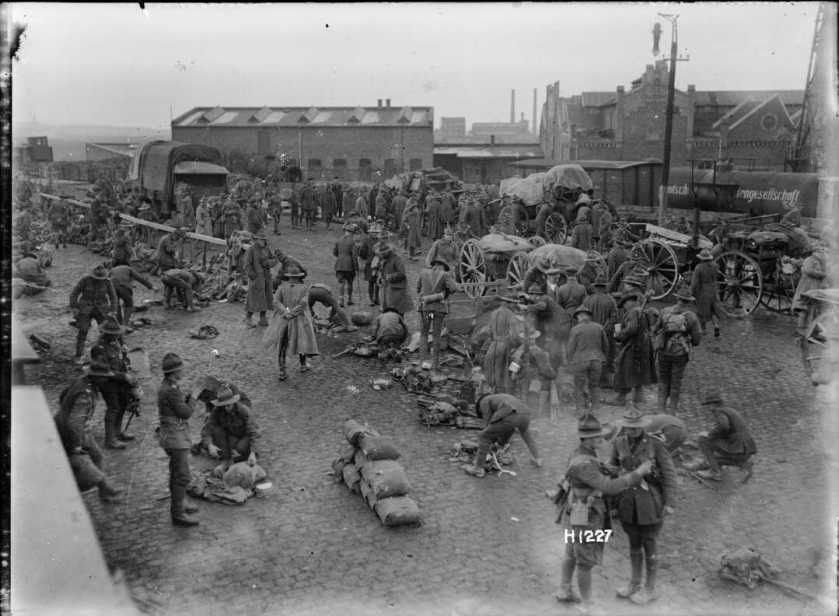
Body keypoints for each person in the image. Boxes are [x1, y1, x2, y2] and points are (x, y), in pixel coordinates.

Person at [554, 414, 653, 605]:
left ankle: (564, 590)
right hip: (586, 517)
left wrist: (609, 468)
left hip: (574, 512)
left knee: (571, 552)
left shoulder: (580, 453)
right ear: (589, 438)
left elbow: (596, 471)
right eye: (598, 436)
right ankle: (587, 605)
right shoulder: (584, 463)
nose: (601, 439)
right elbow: (609, 487)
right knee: (585, 561)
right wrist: (638, 473)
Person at [609, 409, 678, 604]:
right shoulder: (619, 442)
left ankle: (650, 588)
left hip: (650, 501)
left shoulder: (655, 444)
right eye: (629, 427)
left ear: (642, 427)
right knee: (633, 543)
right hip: (627, 501)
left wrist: (670, 503)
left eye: (635, 428)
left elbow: (669, 474)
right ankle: (634, 582)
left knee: (649, 543)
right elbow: (612, 467)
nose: (632, 431)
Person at [54, 361, 123, 502]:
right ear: (95, 377)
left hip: (79, 427)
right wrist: (77, 444)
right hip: (69, 432)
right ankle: (105, 486)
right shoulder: (84, 394)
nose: (106, 380)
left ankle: (104, 491)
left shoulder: (84, 383)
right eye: (103, 377)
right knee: (84, 462)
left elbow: (65, 397)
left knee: (97, 456)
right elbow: (75, 421)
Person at [156, 352, 199, 526]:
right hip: (175, 437)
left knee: (176, 471)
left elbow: (177, 406)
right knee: (181, 475)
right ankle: (177, 514)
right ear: (175, 372)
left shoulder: (169, 385)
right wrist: (194, 397)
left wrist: (185, 399)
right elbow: (185, 413)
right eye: (181, 369)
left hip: (172, 434)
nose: (183, 371)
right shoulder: (171, 390)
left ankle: (180, 503)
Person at [464, 393, 542, 477]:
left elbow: (488, 423)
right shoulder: (499, 397)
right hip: (525, 414)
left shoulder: (483, 401)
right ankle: (537, 458)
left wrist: (486, 441)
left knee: (484, 436)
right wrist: (499, 443)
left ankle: (478, 469)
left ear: (478, 407)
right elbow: (506, 429)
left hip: (511, 413)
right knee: (526, 434)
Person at [90, 317, 139, 448]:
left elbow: (121, 360)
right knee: (113, 407)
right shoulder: (99, 348)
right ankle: (110, 439)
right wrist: (124, 376)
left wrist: (128, 370)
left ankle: (118, 432)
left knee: (122, 405)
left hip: (120, 381)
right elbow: (104, 370)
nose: (118, 335)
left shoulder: (116, 343)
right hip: (107, 383)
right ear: (107, 334)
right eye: (115, 333)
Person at [265, 264, 319, 380]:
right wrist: (293, 313)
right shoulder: (304, 288)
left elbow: (275, 302)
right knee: (301, 341)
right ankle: (303, 365)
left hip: (283, 320)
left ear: (289, 277)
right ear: (299, 277)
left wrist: (285, 312)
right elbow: (303, 304)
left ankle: (282, 371)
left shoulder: (281, 287)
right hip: (299, 319)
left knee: (282, 344)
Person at [654, 284, 702, 413]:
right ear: (689, 301)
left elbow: (655, 329)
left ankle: (660, 409)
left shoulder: (664, 311)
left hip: (664, 351)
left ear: (677, 299)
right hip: (680, 354)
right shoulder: (691, 316)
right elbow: (697, 339)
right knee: (676, 382)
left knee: (663, 380)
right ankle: (672, 411)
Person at [693, 392, 757, 481]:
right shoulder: (730, 410)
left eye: (708, 405)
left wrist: (710, 435)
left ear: (713, 404)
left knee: (702, 440)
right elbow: (728, 430)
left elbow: (723, 426)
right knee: (713, 446)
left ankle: (715, 472)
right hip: (746, 450)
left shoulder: (719, 411)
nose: (708, 408)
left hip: (738, 449)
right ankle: (740, 463)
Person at [611, 290, 657, 406]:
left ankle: (621, 398)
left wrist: (620, 334)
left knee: (624, 368)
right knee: (639, 369)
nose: (624, 308)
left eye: (625, 305)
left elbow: (632, 329)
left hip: (633, 345)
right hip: (644, 345)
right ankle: (638, 396)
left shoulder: (633, 312)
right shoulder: (642, 311)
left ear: (629, 302)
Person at [200, 386, 260, 470]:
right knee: (217, 431)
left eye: (228, 405)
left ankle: (242, 456)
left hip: (245, 436)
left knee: (240, 449)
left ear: (233, 402)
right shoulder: (217, 410)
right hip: (232, 436)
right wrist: (210, 445)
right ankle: (226, 460)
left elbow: (254, 432)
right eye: (223, 405)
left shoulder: (243, 410)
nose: (225, 408)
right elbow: (207, 429)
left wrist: (253, 452)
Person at [417, 258, 461, 370]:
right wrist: (444, 293)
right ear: (442, 266)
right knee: (436, 336)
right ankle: (435, 364)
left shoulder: (423, 272)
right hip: (438, 309)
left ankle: (422, 362)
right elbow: (455, 288)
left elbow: (418, 288)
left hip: (426, 309)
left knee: (424, 334)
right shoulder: (445, 275)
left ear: (434, 265)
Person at [69, 264, 118, 364]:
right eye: (97, 278)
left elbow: (113, 297)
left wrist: (113, 311)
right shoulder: (85, 280)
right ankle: (79, 355)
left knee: (106, 330)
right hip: (85, 308)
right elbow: (74, 293)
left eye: (101, 278)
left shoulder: (107, 282)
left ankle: (106, 355)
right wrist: (74, 307)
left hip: (102, 309)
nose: (99, 280)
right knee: (83, 330)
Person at [567, 305, 609, 415]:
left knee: (579, 386)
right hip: (596, 359)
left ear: (579, 316)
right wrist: (603, 357)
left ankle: (580, 410)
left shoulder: (575, 329)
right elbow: (606, 345)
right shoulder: (599, 327)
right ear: (589, 316)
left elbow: (570, 348)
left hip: (581, 360)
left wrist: (569, 361)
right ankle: (596, 409)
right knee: (594, 385)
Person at [603, 413, 687, 455]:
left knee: (656, 457)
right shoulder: (636, 421)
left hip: (674, 430)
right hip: (679, 427)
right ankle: (674, 449)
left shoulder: (637, 428)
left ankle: (671, 451)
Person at [793, 244, 828, 333]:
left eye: (822, 252)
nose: (822, 254)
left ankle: (814, 328)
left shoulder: (820, 262)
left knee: (814, 309)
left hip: (814, 287)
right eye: (820, 252)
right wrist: (822, 274)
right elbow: (808, 270)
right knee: (804, 308)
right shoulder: (809, 260)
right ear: (815, 252)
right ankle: (800, 329)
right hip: (806, 287)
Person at [243, 233, 276, 328]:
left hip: (266, 278)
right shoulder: (251, 250)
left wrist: (268, 263)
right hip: (256, 279)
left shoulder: (266, 249)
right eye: (261, 239)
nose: (263, 241)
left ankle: (263, 318)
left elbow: (274, 259)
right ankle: (248, 318)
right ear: (256, 240)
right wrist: (253, 276)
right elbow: (247, 265)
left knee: (266, 297)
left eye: (264, 239)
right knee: (253, 298)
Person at [109, 264, 154, 331]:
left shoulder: (112, 270)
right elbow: (139, 278)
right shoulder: (128, 268)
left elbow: (105, 279)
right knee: (129, 305)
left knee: (116, 305)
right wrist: (151, 286)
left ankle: (119, 324)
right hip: (123, 286)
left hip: (112, 287)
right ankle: (124, 325)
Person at [690, 248, 723, 337]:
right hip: (714, 289)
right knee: (713, 310)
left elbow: (694, 283)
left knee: (701, 311)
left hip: (703, 291)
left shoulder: (699, 268)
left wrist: (692, 293)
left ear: (701, 258)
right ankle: (716, 325)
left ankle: (703, 330)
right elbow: (718, 276)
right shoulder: (715, 266)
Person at [377, 241, 414, 316]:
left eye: (383, 253)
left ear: (388, 252)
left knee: (398, 312)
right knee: (388, 312)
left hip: (397, 291)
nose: (382, 255)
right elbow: (382, 272)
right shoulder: (384, 259)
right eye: (381, 253)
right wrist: (380, 279)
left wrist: (389, 277)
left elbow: (402, 273)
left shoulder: (397, 259)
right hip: (387, 289)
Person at [333, 223, 359, 307]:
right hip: (349, 265)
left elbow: (335, 252)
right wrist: (356, 267)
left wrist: (341, 257)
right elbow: (354, 256)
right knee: (350, 282)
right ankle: (349, 299)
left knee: (341, 282)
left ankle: (340, 300)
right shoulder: (353, 241)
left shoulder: (339, 239)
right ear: (352, 232)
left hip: (339, 264)